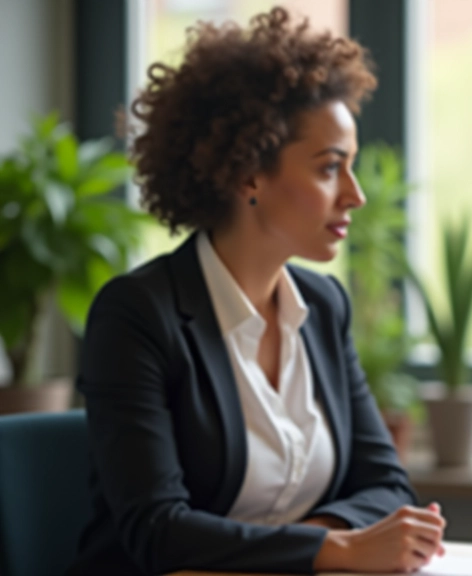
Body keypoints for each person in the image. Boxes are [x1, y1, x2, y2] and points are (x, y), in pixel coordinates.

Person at [69, 8, 446, 575]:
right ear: (248, 176)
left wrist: (300, 545)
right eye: (329, 169)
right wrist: (334, 549)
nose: (356, 194)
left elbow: (387, 485)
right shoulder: (139, 315)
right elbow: (157, 529)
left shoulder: (322, 308)